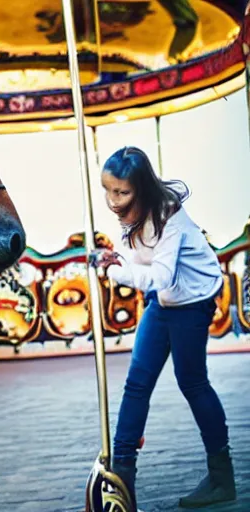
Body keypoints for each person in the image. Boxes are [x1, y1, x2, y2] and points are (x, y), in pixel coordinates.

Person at [98, 146, 236, 510]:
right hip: (164, 300)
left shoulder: (168, 215)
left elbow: (161, 275)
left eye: (122, 192)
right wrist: (116, 256)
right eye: (108, 190)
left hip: (192, 299)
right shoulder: (131, 211)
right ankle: (123, 478)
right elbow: (137, 254)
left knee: (192, 381)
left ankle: (222, 478)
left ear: (141, 188)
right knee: (137, 381)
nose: (113, 200)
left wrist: (115, 270)